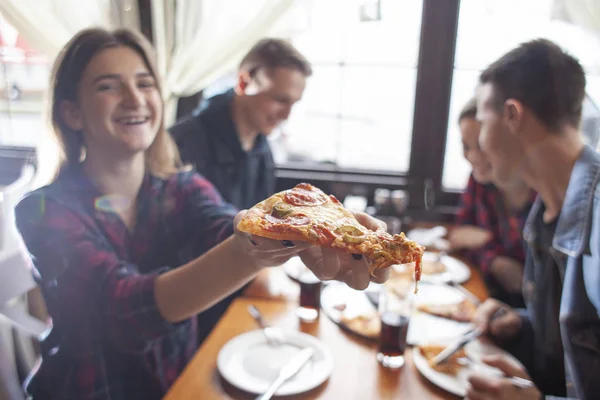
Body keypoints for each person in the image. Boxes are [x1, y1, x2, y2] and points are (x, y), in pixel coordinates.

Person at [15, 28, 387, 399]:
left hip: (181, 382)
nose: (135, 98)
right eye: (108, 86)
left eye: (145, 83)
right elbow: (124, 309)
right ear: (72, 113)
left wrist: (295, 226)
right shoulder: (42, 212)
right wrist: (248, 251)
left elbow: (226, 223)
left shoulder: (179, 187)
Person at [467, 39, 600, 400]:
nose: (479, 141)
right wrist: (519, 323)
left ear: (513, 115)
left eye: (481, 121)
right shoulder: (545, 213)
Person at [169, 38, 312, 210]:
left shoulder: (262, 147)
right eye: (280, 100)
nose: (287, 115)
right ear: (244, 83)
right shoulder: (182, 144)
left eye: (293, 103)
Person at [449, 98, 534, 308]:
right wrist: (495, 261)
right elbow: (459, 236)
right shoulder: (479, 181)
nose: (473, 156)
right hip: (494, 301)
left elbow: (529, 280)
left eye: (481, 144)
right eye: (465, 146)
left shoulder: (541, 196)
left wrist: (484, 241)